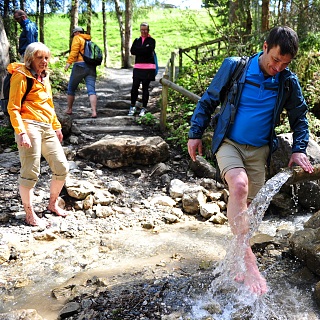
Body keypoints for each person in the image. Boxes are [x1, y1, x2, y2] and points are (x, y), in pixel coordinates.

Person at [187, 26, 314, 295]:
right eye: (275, 60)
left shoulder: (287, 81)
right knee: (239, 185)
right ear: (265, 47)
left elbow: (299, 117)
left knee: (250, 211)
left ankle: (235, 259)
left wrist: (298, 149)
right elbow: (209, 100)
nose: (278, 67)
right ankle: (248, 260)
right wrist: (195, 133)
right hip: (229, 142)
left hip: (259, 151)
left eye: (285, 63)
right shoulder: (235, 67)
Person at [7, 42, 69, 228]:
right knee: (31, 172)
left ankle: (52, 204)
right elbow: (13, 107)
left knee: (61, 167)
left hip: (47, 126)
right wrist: (21, 131)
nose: (44, 61)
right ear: (30, 58)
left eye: (46, 58)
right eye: (39, 57)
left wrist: (56, 126)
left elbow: (49, 104)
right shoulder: (21, 76)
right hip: (28, 125)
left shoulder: (44, 77)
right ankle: (29, 213)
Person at [64, 26, 97, 118]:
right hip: (91, 66)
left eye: (74, 33)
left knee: (71, 88)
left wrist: (68, 63)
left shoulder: (77, 38)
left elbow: (74, 51)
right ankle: (94, 111)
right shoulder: (88, 40)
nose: (74, 35)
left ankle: (69, 109)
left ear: (76, 32)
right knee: (91, 90)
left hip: (79, 65)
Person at [128, 22, 156, 117]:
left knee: (145, 88)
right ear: (140, 30)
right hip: (138, 68)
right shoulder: (137, 40)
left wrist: (140, 50)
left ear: (148, 30)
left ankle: (143, 108)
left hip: (148, 69)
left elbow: (149, 51)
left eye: (145, 30)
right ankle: (132, 106)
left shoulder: (152, 41)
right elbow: (132, 51)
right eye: (142, 30)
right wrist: (143, 49)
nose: (143, 31)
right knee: (134, 87)